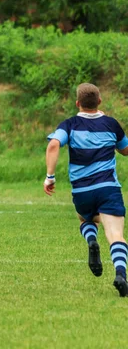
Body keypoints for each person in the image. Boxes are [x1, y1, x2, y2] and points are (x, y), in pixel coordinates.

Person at [45, 83, 128, 297]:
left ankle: (91, 240)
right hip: (108, 188)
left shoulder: (70, 124)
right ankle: (120, 274)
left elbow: (54, 144)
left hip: (82, 191)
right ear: (99, 101)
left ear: (77, 103)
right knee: (116, 233)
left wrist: (50, 177)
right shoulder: (111, 124)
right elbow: (125, 150)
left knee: (85, 219)